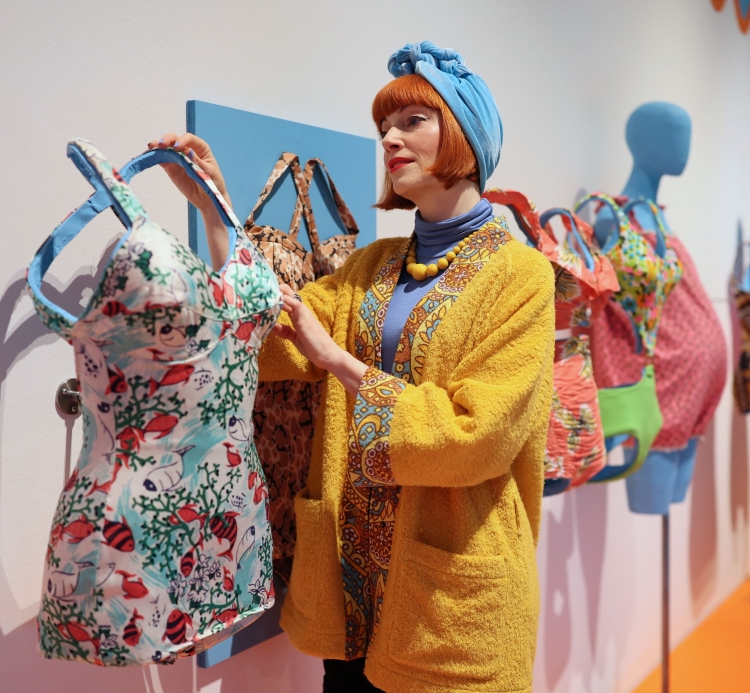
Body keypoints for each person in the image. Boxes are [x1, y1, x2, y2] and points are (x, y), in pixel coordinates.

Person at [151, 41, 553, 693]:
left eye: (413, 122)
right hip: (354, 589)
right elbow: (273, 334)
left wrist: (340, 362)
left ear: (466, 136)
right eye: (384, 127)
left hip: (450, 604)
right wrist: (215, 211)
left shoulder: (521, 276)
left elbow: (480, 436)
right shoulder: (374, 267)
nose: (391, 138)